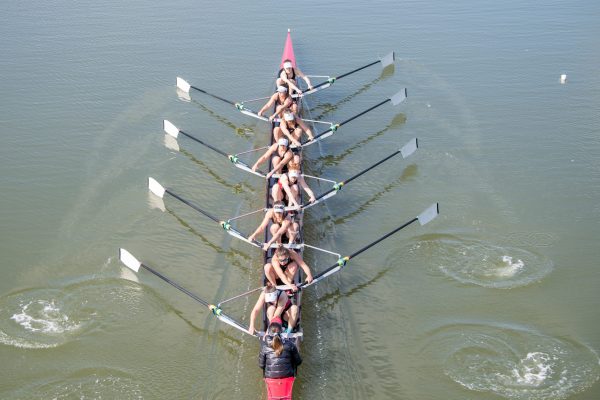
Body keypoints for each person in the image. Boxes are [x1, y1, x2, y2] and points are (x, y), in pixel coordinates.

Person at [259, 317, 302, 397]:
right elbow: (298, 362)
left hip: (270, 377)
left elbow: (261, 365)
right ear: (282, 332)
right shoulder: (290, 345)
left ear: (269, 332)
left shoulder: (264, 347)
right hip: (288, 375)